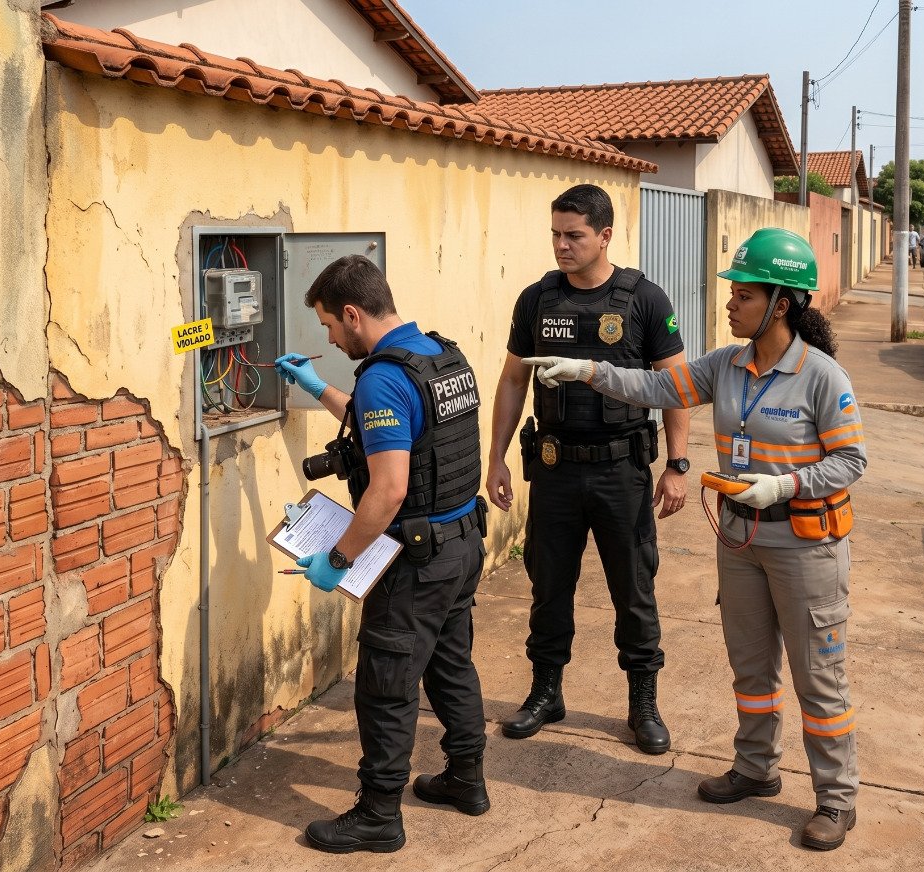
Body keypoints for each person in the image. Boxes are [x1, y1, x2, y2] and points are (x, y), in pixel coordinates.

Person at [523, 228, 867, 851]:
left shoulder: (822, 376)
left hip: (804, 545)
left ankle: (836, 800)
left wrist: (784, 487)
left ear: (780, 304)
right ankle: (756, 768)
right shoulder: (726, 365)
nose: (730, 305)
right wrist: (591, 371)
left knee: (819, 676)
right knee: (750, 666)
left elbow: (851, 462)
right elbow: (657, 388)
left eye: (742, 295)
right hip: (739, 542)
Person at [274, 255, 490, 854]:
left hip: (415, 563)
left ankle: (378, 815)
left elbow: (389, 487)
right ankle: (466, 780)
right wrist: (319, 389)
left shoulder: (383, 377)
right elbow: (391, 430)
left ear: (352, 313)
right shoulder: (440, 356)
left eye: (328, 327)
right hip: (462, 543)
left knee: (387, 684)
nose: (329, 338)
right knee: (451, 666)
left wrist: (337, 560)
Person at [486, 183, 691, 755]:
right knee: (548, 586)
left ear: (605, 236)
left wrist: (675, 465)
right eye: (555, 233)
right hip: (552, 469)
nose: (561, 245)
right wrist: (497, 455)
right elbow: (512, 379)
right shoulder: (537, 300)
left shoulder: (645, 300)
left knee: (634, 588)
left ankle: (642, 702)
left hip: (620, 471)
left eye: (573, 235)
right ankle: (546, 692)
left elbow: (675, 385)